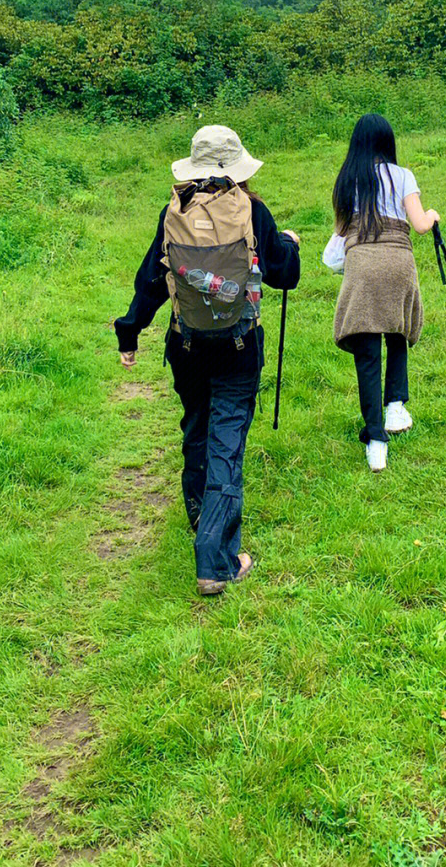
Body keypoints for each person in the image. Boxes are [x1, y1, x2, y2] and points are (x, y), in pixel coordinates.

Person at [114, 125, 300, 596]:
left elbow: (152, 278)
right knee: (226, 443)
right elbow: (283, 277)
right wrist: (290, 246)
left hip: (187, 344)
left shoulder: (173, 210)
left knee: (197, 427)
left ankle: (200, 517)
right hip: (238, 346)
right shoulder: (252, 209)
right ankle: (216, 562)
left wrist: (129, 332)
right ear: (235, 165)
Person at [324, 113, 439, 472]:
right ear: (388, 142)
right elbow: (420, 225)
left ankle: (376, 442)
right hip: (397, 263)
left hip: (363, 266)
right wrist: (433, 215)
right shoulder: (403, 176)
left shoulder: (347, 180)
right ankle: (396, 406)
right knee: (397, 330)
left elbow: (340, 234)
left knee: (367, 348)